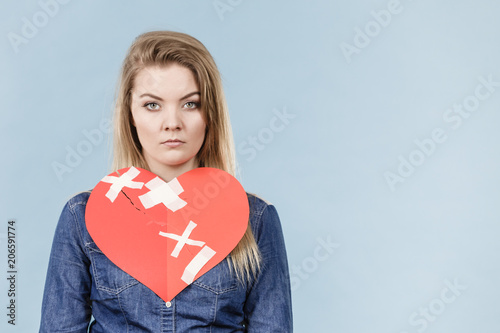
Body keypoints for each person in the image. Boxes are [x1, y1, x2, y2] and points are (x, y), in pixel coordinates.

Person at [39, 30, 293, 332]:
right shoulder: (81, 216)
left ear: (210, 113)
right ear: (130, 114)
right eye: (152, 105)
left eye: (190, 104)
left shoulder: (256, 219)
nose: (172, 122)